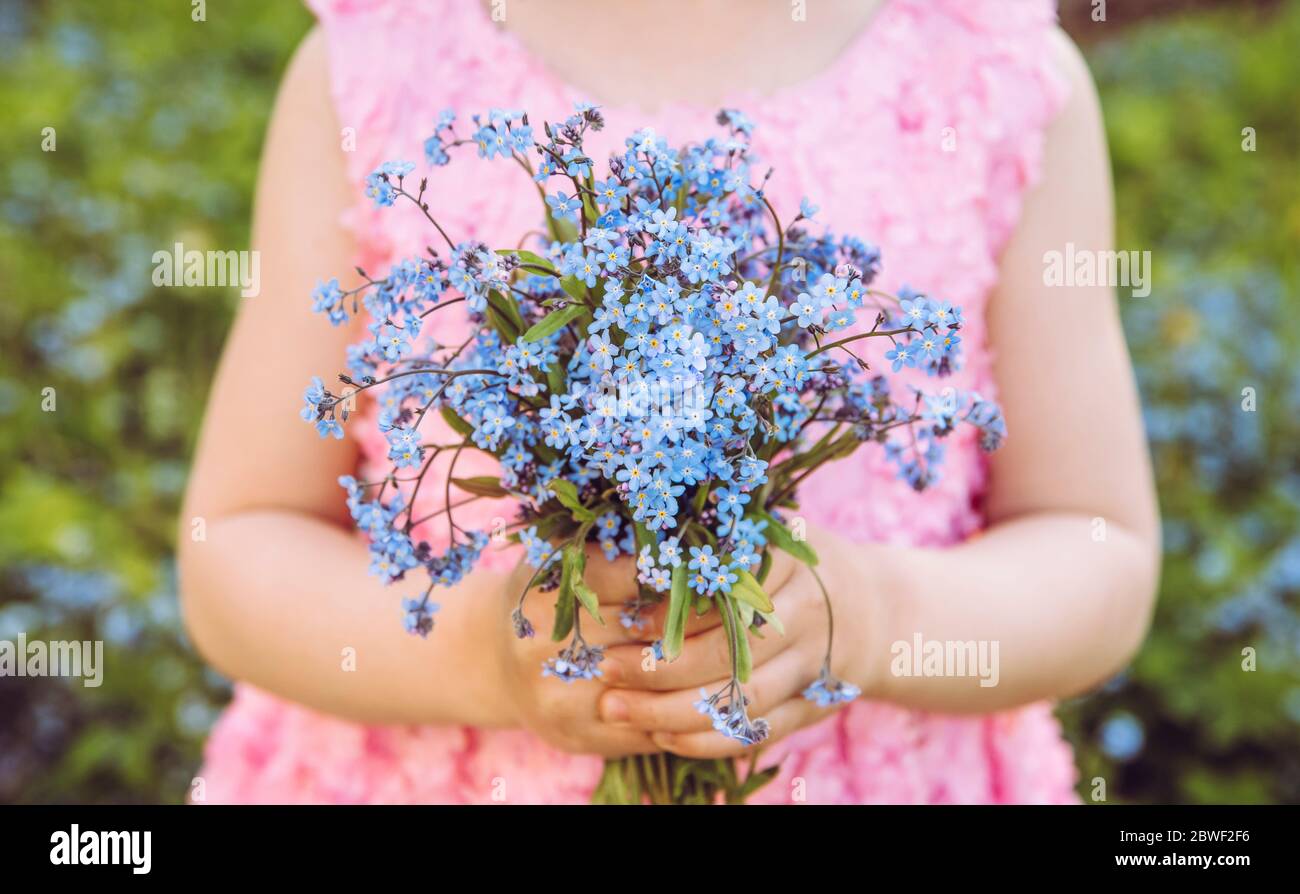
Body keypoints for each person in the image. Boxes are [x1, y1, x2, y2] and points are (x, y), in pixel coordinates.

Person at [179, 0, 1159, 804]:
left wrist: (870, 621)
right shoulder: (381, 62)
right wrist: (486, 657)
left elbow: (1097, 549)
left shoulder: (995, 76)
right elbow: (238, 546)